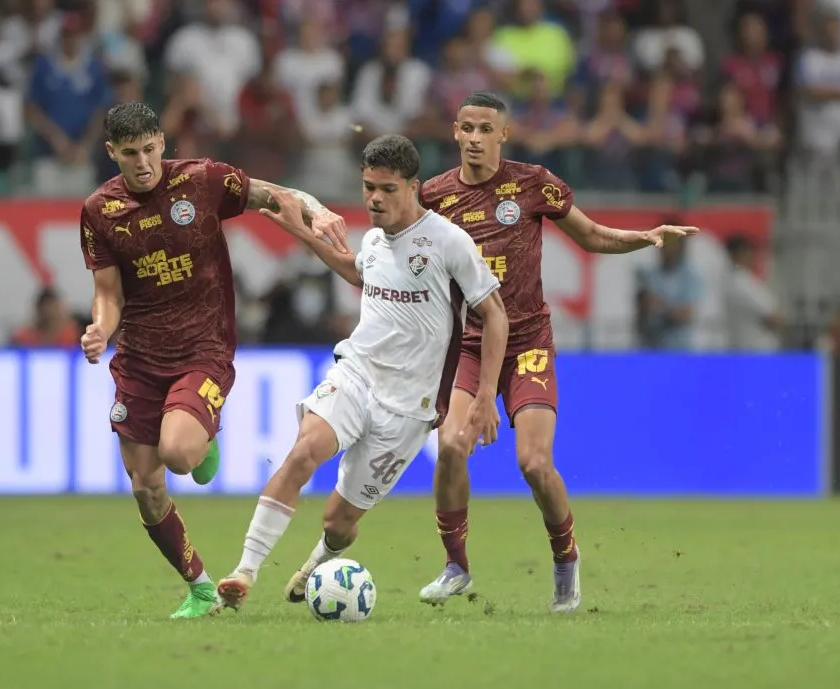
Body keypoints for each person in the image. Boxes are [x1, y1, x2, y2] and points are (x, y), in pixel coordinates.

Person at [416, 92, 698, 613]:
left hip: (526, 342)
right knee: (452, 446)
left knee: (535, 463)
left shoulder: (531, 183)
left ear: (504, 135)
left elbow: (591, 237)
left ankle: (566, 562)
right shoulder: (433, 197)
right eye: (468, 128)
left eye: (486, 129)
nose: (476, 138)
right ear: (454, 131)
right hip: (472, 345)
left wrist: (645, 236)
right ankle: (456, 566)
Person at [213, 134, 509, 611]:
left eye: (387, 189)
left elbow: (495, 314)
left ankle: (318, 561)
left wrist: (484, 396)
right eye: (369, 186)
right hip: (357, 373)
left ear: (412, 187)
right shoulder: (373, 238)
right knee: (304, 451)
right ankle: (244, 572)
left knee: (338, 521)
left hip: (408, 407)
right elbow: (358, 273)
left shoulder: (448, 241)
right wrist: (303, 233)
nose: (374, 198)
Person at [78, 101, 349, 619]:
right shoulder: (99, 211)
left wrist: (319, 210)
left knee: (178, 454)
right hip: (137, 356)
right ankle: (200, 586)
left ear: (162, 141)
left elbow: (276, 195)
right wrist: (100, 329)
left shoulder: (203, 181)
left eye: (149, 149)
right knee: (145, 486)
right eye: (129, 153)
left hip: (203, 346)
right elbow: (108, 293)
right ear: (112, 152)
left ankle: (202, 436)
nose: (142, 162)